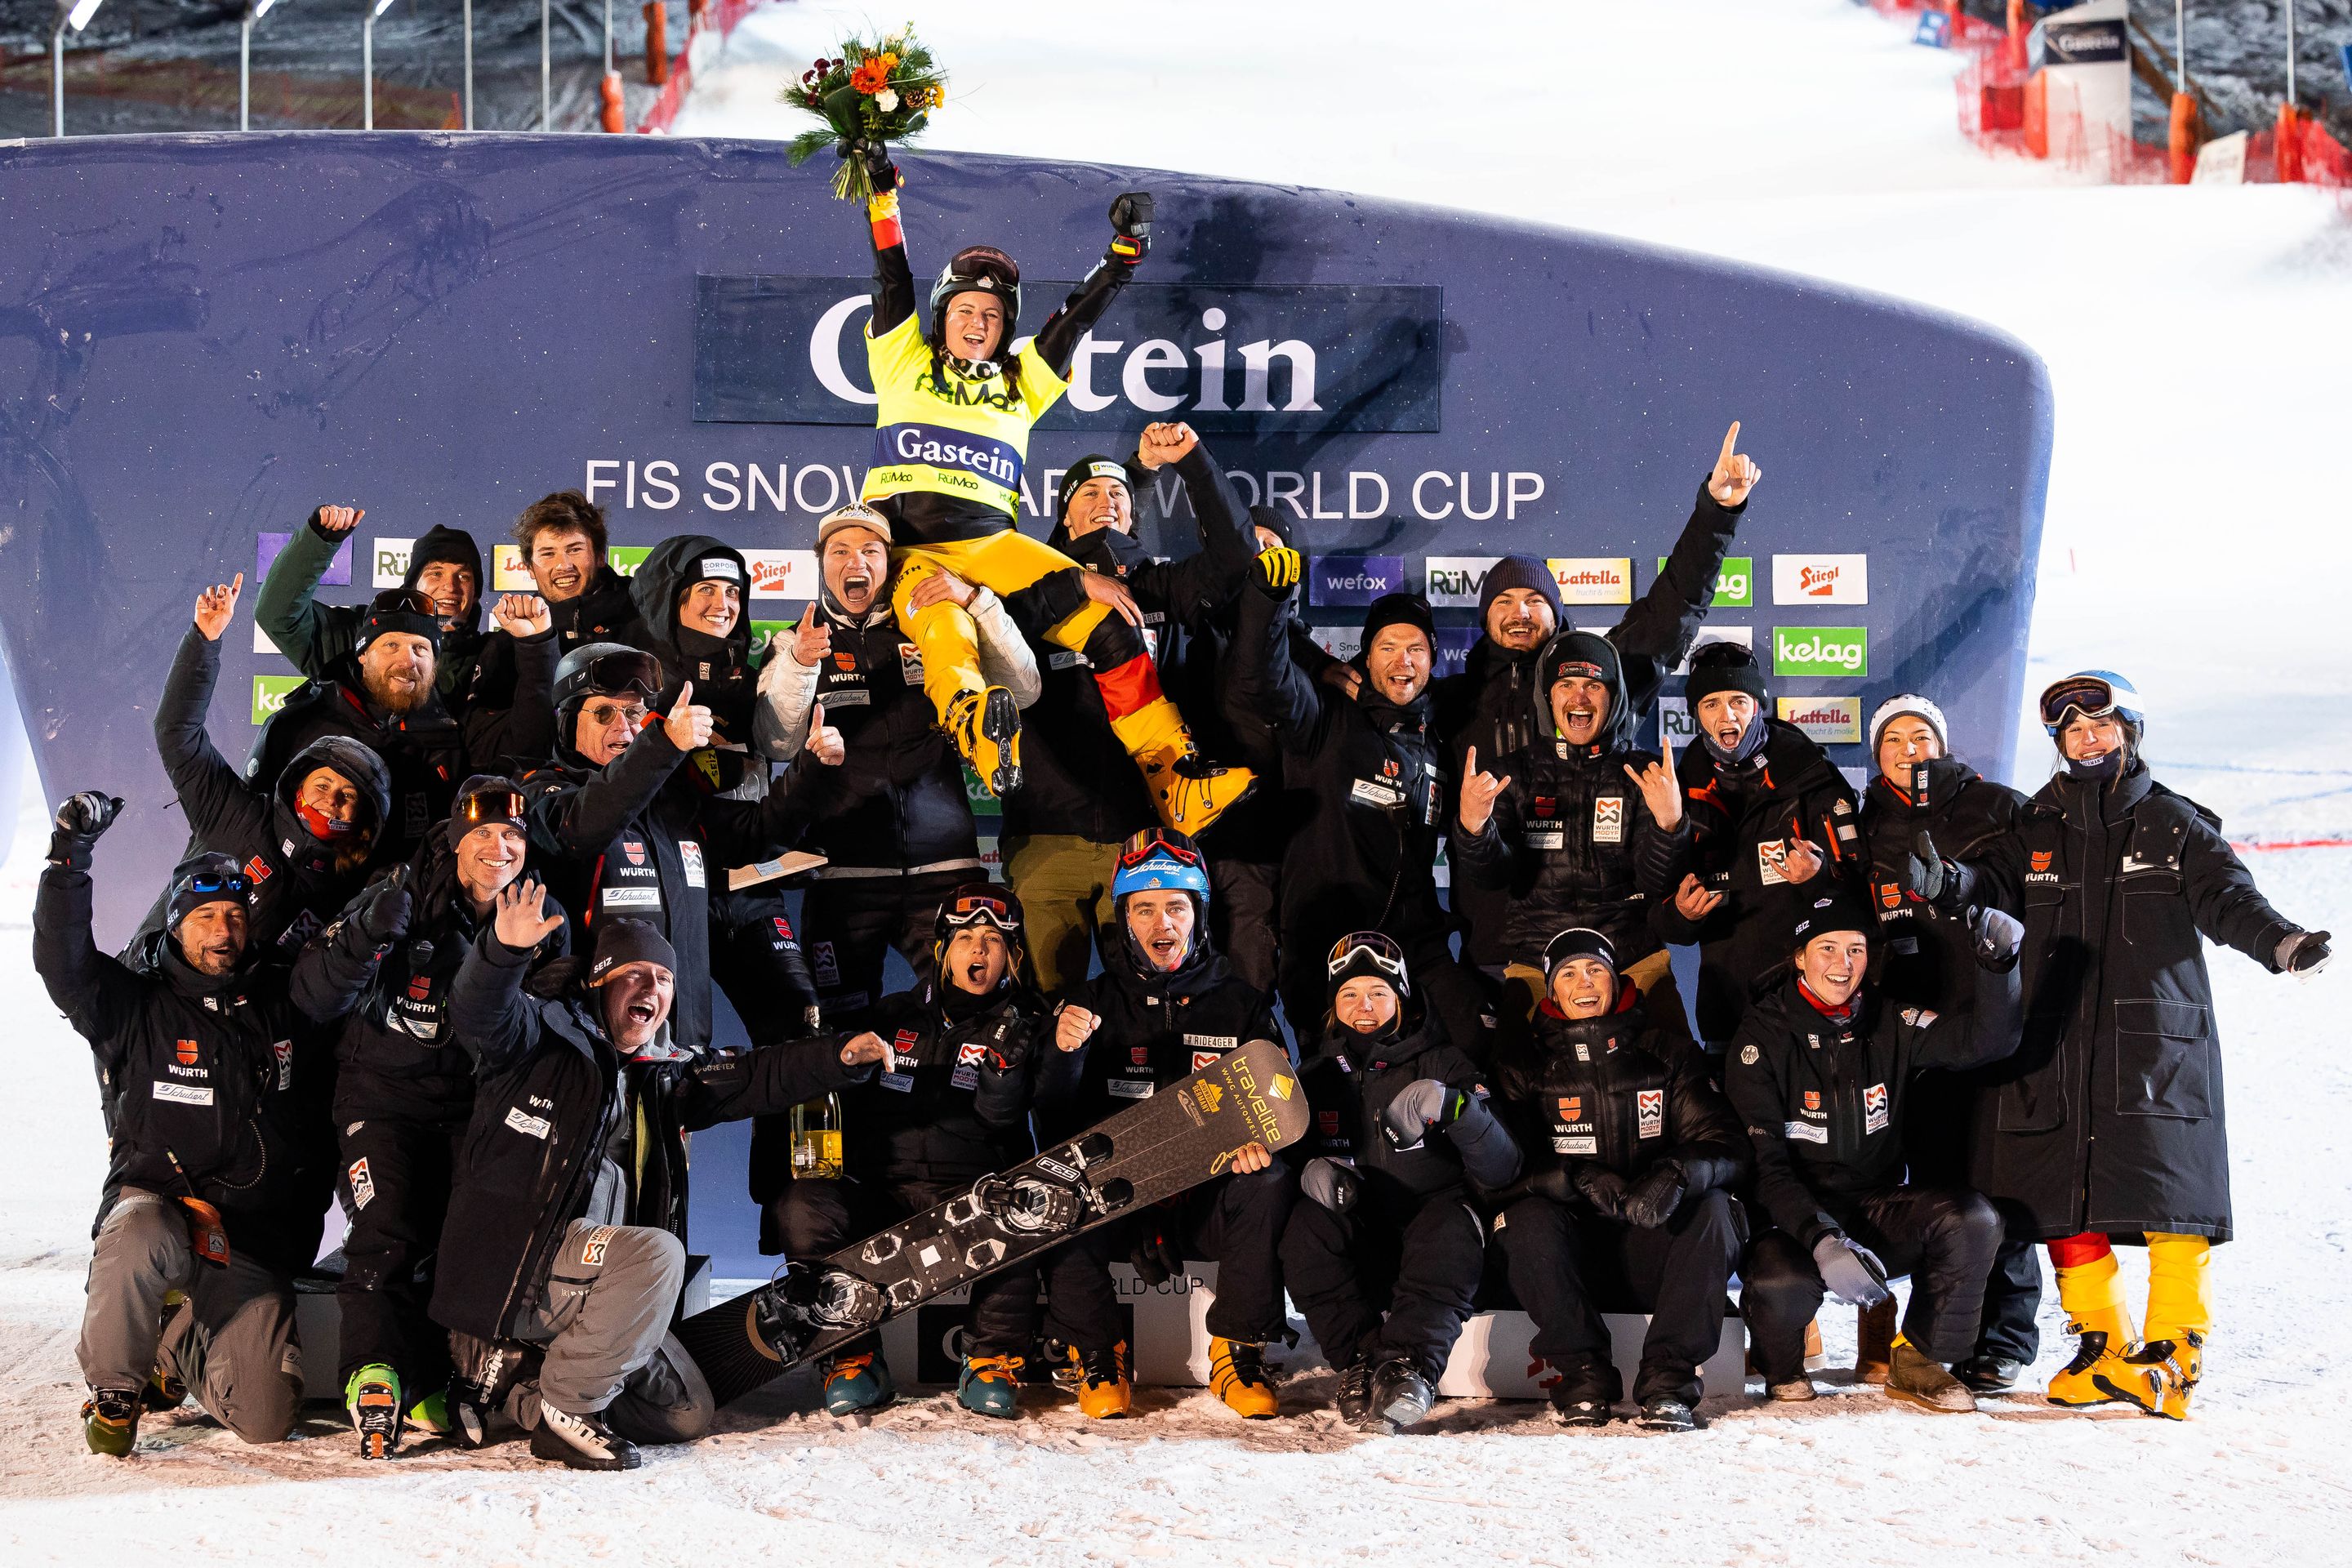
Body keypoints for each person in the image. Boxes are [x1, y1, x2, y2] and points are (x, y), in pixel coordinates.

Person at [849, 140, 1250, 831]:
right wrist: (882, 194)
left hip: (995, 545)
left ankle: (1174, 778)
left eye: (993, 317)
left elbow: (1075, 319)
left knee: (1113, 616)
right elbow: (892, 278)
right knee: (944, 626)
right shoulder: (901, 364)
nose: (979, 325)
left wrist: (1125, 252)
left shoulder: (1019, 384)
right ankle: (981, 732)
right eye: (966, 311)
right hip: (914, 549)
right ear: (942, 315)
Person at [1967, 671, 2329, 1419]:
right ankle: (2102, 1341)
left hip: (2153, 1045)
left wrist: (2283, 944)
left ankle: (2174, 1349)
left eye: (2101, 726)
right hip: (2055, 1040)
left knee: (2171, 1189)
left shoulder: (2172, 824)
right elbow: (1977, 889)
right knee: (2061, 1192)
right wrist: (1937, 881)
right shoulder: (2034, 828)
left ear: (2128, 732)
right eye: (2073, 732)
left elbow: (2230, 901)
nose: (2089, 739)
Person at [433, 887, 887, 1469]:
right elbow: (478, 1012)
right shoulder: (539, 1039)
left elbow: (753, 1075)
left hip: (593, 1283)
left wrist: (837, 1057)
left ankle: (524, 1392)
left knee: (684, 1413)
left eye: (664, 980)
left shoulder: (661, 1074)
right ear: (599, 983)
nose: (653, 990)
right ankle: (569, 1411)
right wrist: (501, 951)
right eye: (635, 975)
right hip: (522, 1264)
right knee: (656, 1254)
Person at [37, 799, 327, 1456]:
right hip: (160, 1217)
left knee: (266, 1417)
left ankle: (174, 1345)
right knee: (139, 1229)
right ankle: (116, 1388)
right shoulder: (132, 1004)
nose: (223, 930)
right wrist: (69, 858)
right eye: (205, 918)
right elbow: (63, 961)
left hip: (247, 1239)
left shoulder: (280, 1001)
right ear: (176, 925)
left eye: (234, 916)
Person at [288, 777, 565, 1458]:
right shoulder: (402, 891)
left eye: (512, 836)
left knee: (458, 1245)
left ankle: (437, 1378)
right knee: (388, 1229)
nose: (499, 848)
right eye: (483, 835)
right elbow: (312, 994)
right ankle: (376, 1373)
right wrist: (367, 932)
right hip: (381, 1098)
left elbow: (552, 1024)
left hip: (473, 1107)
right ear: (453, 839)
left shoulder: (538, 910)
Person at [1434, 424, 1761, 980]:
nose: (1520, 612)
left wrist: (1717, 511)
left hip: (1614, 942)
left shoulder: (1606, 673)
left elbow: (1674, 604)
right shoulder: (1451, 700)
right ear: (1484, 615)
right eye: (1505, 600)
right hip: (1500, 943)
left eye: (1535, 599)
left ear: (1556, 613)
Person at [1726, 891, 2026, 1414]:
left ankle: (1921, 1362)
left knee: (1972, 1219)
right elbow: (1767, 1170)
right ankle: (1783, 1368)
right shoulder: (1762, 1036)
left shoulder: (1891, 1020)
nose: (1843, 965)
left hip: (1875, 1206)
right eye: (1827, 948)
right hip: (1794, 1220)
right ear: (1799, 957)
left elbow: (1985, 1042)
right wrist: (1822, 1240)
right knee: (1780, 1281)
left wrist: (1998, 968)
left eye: (1857, 949)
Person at [1034, 830, 1291, 1419]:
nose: (1162, 923)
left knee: (1271, 1183)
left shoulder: (1242, 1004)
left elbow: (1280, 1107)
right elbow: (1052, 1123)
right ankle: (1099, 1352)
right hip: (1120, 1199)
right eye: (1143, 908)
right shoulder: (1092, 999)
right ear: (1124, 920)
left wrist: (1262, 1143)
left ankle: (1238, 1351)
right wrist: (1064, 1055)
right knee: (1053, 1194)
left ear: (1198, 916)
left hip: (1206, 1201)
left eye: (1176, 906)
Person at [1003, 423, 1265, 992]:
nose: (1106, 502)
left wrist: (1193, 461)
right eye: (1089, 494)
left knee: (1153, 1012)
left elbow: (1236, 555)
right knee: (1046, 1014)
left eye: (1119, 494)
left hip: (1144, 837)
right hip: (1046, 836)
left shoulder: (1161, 588)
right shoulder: (1027, 589)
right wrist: (1076, 588)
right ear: (1064, 517)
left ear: (1132, 515)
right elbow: (989, 621)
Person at [753, 501, 1037, 1027]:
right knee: (843, 1034)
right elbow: (776, 742)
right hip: (845, 879)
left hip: (946, 873)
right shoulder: (798, 639)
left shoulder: (933, 625)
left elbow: (1024, 690)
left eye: (870, 550)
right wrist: (799, 666)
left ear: (889, 563)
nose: (854, 562)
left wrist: (977, 602)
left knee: (972, 1020)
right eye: (839, 551)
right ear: (822, 563)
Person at [768, 882, 1043, 1421]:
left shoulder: (1026, 1023)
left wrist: (1005, 1072)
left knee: (1021, 1211)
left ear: (1013, 954)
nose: (979, 951)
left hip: (970, 1195)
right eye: (966, 938)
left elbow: (1001, 1119)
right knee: (803, 1201)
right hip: (885, 1191)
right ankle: (852, 1360)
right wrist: (839, 1065)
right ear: (943, 950)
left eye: (993, 940)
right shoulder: (891, 1014)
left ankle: (991, 1362)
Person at [1486, 927, 1751, 1430]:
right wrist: (1573, 1178)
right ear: (1550, 989)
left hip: (1651, 1245)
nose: (1583, 983)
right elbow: (1497, 1172)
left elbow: (1727, 1145)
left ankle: (1669, 1380)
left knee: (1715, 1206)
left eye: (1595, 970)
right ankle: (1582, 1376)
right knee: (1524, 1217)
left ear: (1615, 980)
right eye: (1568, 973)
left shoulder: (1666, 1053)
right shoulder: (1522, 1067)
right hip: (1567, 1264)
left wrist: (1675, 1173)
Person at [1855, 693, 2042, 1389]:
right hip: (1913, 1034)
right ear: (1877, 755)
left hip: (1995, 1020)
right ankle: (1945, 1335)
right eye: (1894, 739)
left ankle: (2004, 1341)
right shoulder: (1867, 821)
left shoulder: (1997, 806)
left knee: (2003, 1183)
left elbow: (2026, 878)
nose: (1909, 750)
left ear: (1943, 745)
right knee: (1939, 1190)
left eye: (1920, 736)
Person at [1229, 575, 1491, 1056]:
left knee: (1475, 1044)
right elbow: (1263, 672)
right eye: (1387, 647)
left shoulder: (1439, 734)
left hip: (1415, 941)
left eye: (1416, 648)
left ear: (1433, 659)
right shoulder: (1324, 715)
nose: (1403, 661)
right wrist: (1270, 602)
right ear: (1365, 657)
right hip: (1326, 947)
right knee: (1341, 1092)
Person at [523, 642, 825, 1057]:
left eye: (633, 713)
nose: (624, 728)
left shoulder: (671, 797)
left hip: (679, 1043)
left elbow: (757, 837)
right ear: (566, 722)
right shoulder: (544, 793)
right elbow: (585, 828)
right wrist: (663, 745)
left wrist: (809, 772)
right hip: (589, 1044)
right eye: (604, 712)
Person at [1281, 933, 1521, 1432]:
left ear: (1402, 997)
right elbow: (1291, 1154)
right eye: (1349, 994)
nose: (1363, 1006)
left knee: (1449, 1226)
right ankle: (1362, 1364)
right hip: (1363, 1233)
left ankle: (1410, 1369)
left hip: (1436, 1231)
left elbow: (1503, 1167)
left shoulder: (1444, 1061)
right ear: (1333, 1004)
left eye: (1378, 992)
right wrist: (1309, 1170)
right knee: (1305, 1229)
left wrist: (1458, 1108)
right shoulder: (1317, 1074)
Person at [623, 534, 824, 1050]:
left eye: (733, 593)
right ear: (673, 599)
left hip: (751, 888)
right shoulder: (631, 682)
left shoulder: (751, 677)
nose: (723, 605)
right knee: (669, 1048)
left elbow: (769, 763)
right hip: (673, 896)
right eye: (706, 591)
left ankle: (795, 1137)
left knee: (801, 1033)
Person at [1448, 639, 1692, 1037]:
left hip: (1629, 953)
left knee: (1677, 1059)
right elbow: (1492, 877)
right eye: (1566, 686)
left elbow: (1657, 883)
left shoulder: (1643, 773)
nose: (1580, 697)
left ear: (1613, 698)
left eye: (1593, 686)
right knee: (1511, 1076)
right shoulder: (1512, 773)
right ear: (1547, 697)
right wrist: (1475, 829)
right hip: (1537, 956)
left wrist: (1669, 824)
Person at [145, 573, 391, 959]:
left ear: (363, 818)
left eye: (347, 796)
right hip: (151, 997)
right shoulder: (233, 812)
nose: (331, 802)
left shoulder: (350, 891)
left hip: (243, 1019)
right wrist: (204, 642)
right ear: (297, 786)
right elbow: (177, 732)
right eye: (322, 786)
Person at [1650, 639, 1862, 1051]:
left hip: (1812, 1000)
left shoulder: (1813, 777)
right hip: (1727, 1006)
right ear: (1696, 713)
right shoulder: (1677, 788)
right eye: (1711, 704)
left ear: (1757, 705)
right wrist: (1681, 915)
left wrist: (1817, 880)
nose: (1726, 715)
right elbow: (1661, 916)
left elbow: (1860, 896)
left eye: (1738, 701)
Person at [246, 586, 556, 865]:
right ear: (364, 655)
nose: (407, 661)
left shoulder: (451, 729)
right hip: (293, 907)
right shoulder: (298, 722)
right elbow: (241, 821)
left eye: (421, 649)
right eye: (391, 645)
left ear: (434, 664)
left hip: (398, 913)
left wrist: (535, 646)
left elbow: (528, 745)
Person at [255, 505, 488, 710]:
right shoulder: (358, 635)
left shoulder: (494, 656)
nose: (450, 586)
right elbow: (279, 615)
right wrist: (317, 542)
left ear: (476, 593)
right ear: (412, 585)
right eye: (436, 573)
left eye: (464, 576)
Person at [470, 489, 648, 710]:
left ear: (601, 556)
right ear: (529, 568)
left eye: (574, 550)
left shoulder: (649, 620)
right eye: (547, 553)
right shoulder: (509, 643)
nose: (564, 566)